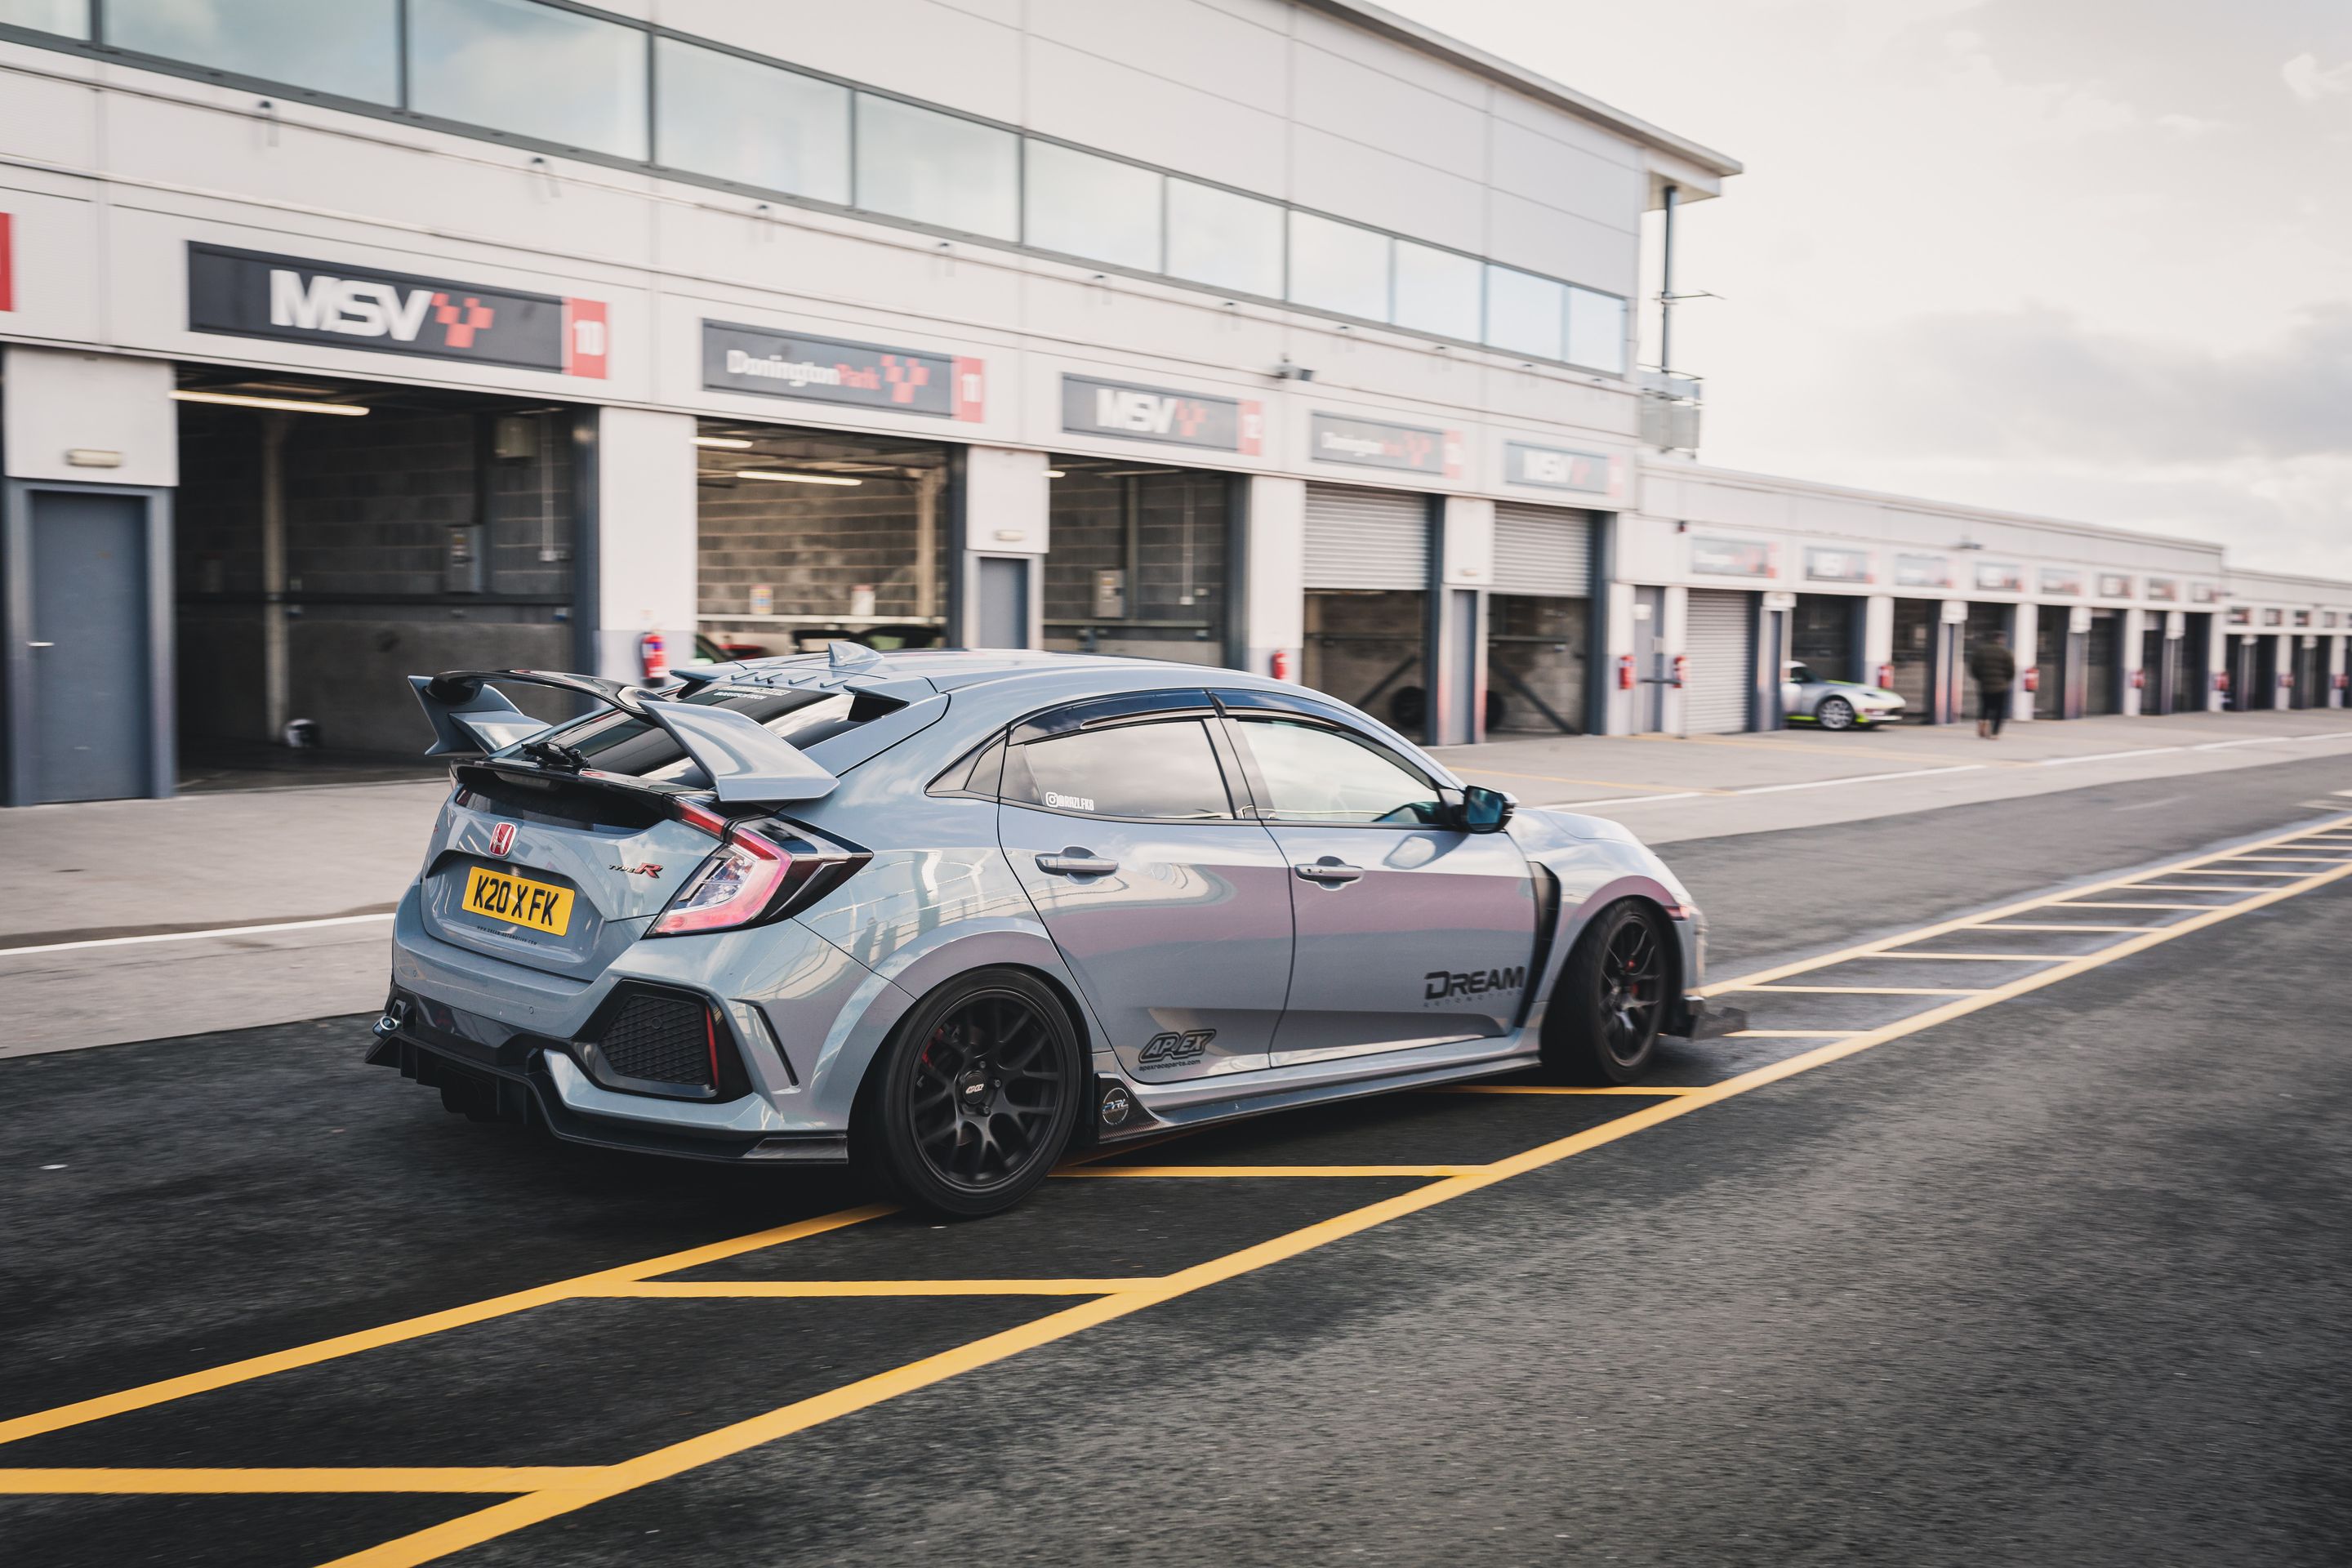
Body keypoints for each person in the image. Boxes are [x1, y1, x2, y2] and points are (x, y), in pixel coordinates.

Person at [1969, 630, 2016, 738]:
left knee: (1985, 707)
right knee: (1999, 710)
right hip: (2001, 686)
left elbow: (1974, 667)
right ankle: (1995, 733)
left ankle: (1983, 723)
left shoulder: (1980, 651)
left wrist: (1980, 678)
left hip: (1984, 685)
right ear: (2000, 639)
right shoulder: (2005, 652)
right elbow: (2011, 670)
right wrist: (2006, 680)